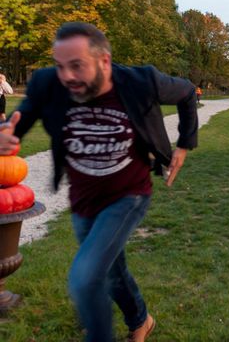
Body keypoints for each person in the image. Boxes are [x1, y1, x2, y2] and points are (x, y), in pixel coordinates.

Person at [0, 22, 198, 342]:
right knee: (111, 269)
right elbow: (20, 121)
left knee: (85, 277)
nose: (66, 76)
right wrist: (7, 136)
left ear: (104, 61)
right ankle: (140, 320)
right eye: (60, 66)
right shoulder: (47, 83)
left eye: (77, 65)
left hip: (128, 194)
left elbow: (188, 92)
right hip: (83, 199)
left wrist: (185, 144)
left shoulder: (140, 81)